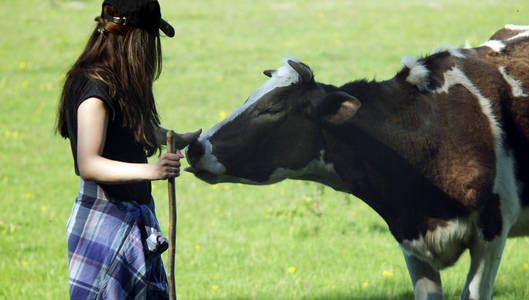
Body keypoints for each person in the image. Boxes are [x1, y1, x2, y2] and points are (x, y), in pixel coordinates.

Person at [56, 0, 200, 298]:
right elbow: (89, 162)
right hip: (107, 221)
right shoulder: (95, 89)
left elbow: (128, 129)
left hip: (130, 216)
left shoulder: (117, 80)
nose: (152, 50)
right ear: (135, 38)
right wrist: (152, 170)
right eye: (150, 40)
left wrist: (173, 137)